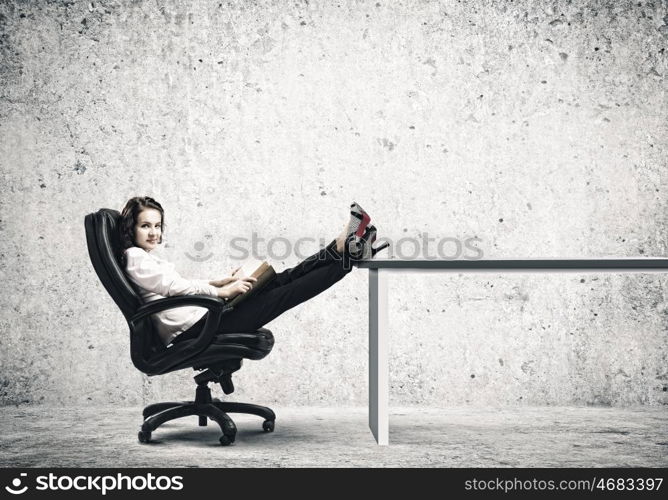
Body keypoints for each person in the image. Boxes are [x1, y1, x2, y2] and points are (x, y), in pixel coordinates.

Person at [118, 196, 388, 347]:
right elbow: (173, 289)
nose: (154, 232)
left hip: (207, 315)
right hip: (198, 328)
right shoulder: (135, 258)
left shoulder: (144, 259)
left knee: (282, 279)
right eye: (145, 226)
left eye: (157, 225)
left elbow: (175, 285)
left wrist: (220, 282)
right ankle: (348, 257)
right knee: (286, 292)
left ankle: (340, 247)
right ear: (131, 228)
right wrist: (221, 291)